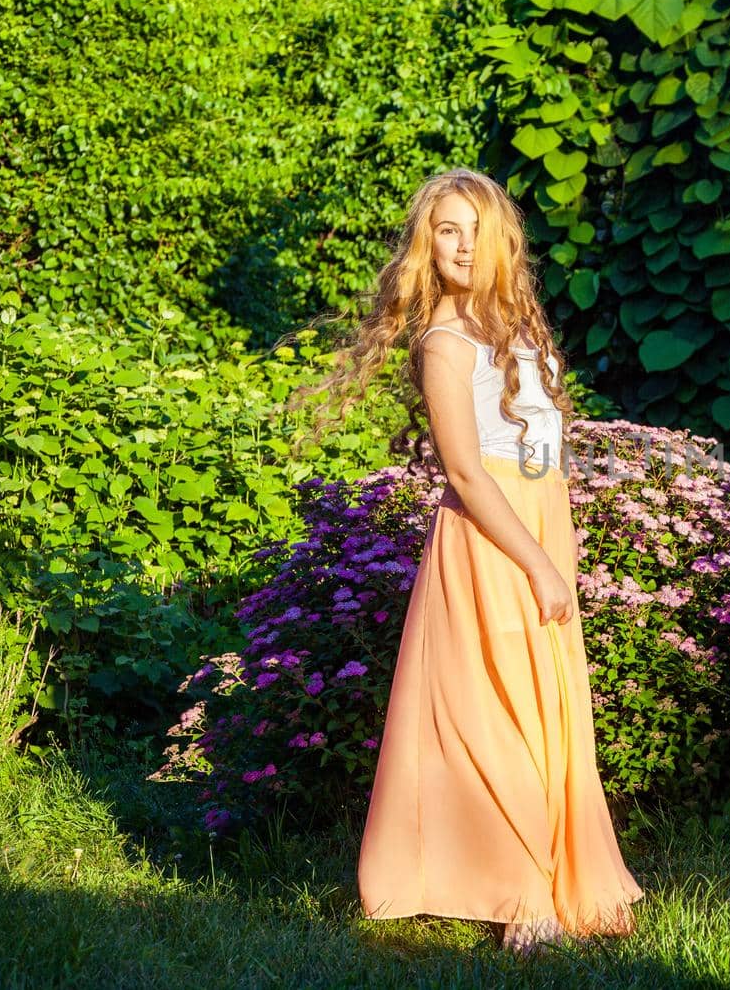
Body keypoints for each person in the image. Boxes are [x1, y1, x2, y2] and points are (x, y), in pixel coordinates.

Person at [296, 167, 644, 955]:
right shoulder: (444, 343)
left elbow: (545, 453)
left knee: (546, 710)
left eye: (474, 229)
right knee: (494, 712)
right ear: (427, 243)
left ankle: (562, 878)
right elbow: (464, 471)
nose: (461, 244)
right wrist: (538, 564)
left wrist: (561, 544)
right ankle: (519, 897)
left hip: (537, 527)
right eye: (446, 229)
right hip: (490, 540)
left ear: (501, 240)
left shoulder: (519, 328)